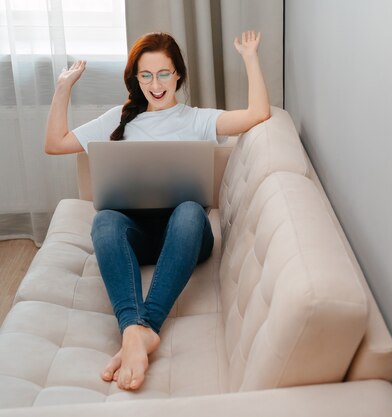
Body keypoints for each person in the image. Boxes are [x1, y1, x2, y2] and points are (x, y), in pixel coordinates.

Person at [44, 31, 270, 391]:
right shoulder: (120, 118)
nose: (155, 84)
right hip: (136, 235)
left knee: (190, 211)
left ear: (178, 74)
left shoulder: (197, 119)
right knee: (103, 220)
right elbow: (55, 144)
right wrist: (63, 87)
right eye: (145, 75)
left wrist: (250, 58)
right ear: (136, 79)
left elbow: (259, 114)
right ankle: (138, 331)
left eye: (163, 73)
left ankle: (142, 328)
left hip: (186, 234)